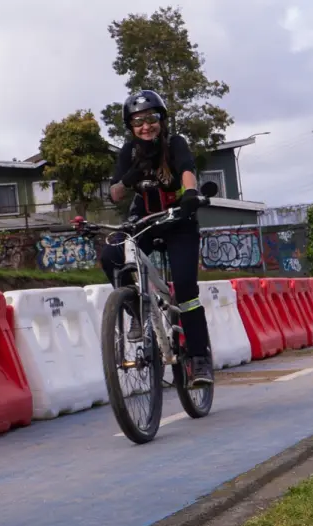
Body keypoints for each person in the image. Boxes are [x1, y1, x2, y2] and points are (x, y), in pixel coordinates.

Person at [100, 89, 213, 386]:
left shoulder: (175, 144)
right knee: (111, 254)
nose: (145, 126)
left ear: (161, 120)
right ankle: (135, 310)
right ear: (131, 127)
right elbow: (115, 193)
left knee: (186, 290)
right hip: (146, 220)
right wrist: (127, 178)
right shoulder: (128, 152)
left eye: (151, 119)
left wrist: (191, 194)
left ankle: (199, 359)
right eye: (138, 122)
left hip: (178, 221)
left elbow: (187, 170)